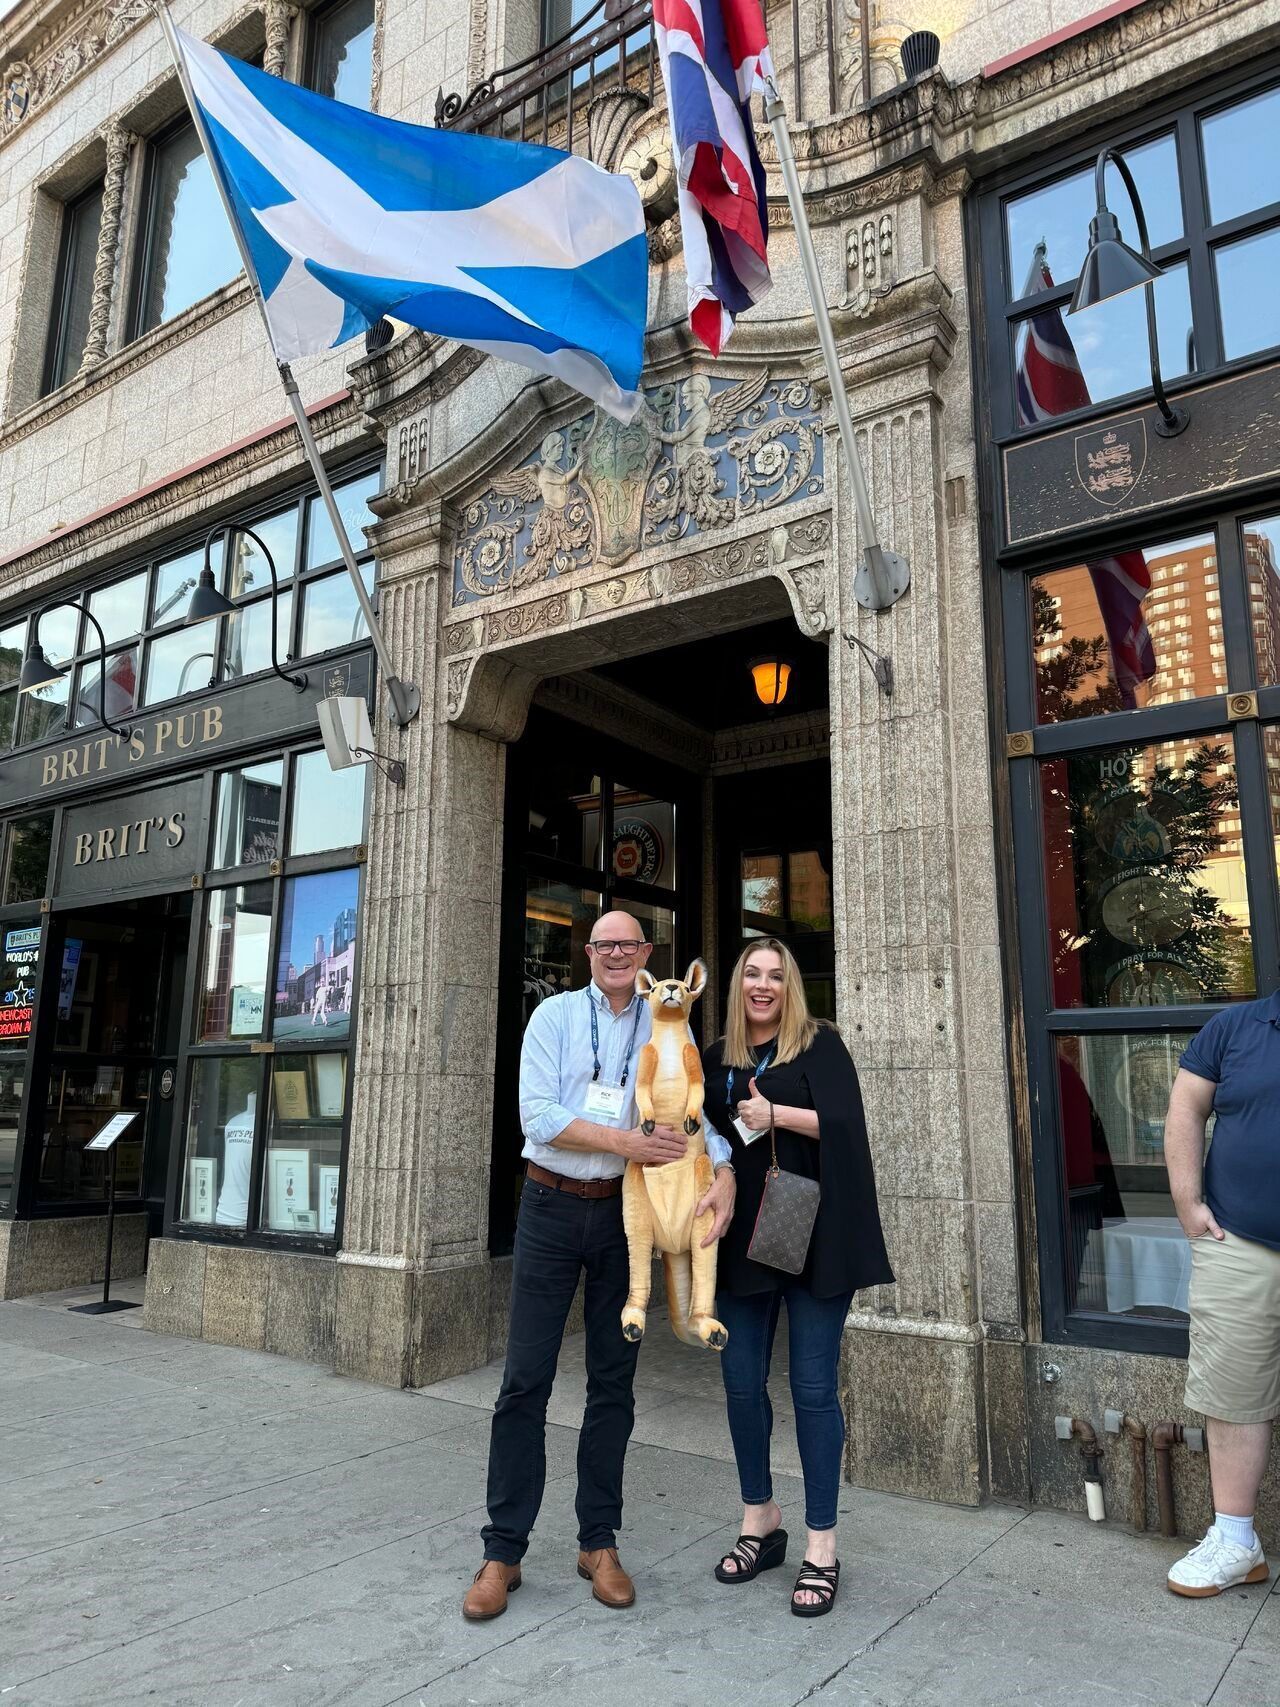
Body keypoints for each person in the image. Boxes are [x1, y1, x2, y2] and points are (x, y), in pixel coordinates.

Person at [463, 911, 737, 1622]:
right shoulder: (553, 1017)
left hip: (624, 1215)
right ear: (588, 953)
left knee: (612, 1383)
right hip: (550, 1208)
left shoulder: (661, 1026)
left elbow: (690, 1113)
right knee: (525, 1379)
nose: (617, 953)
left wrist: (727, 1166)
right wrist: (626, 1139)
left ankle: (598, 1542)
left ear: (647, 955)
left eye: (630, 943)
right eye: (604, 943)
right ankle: (503, 1550)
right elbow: (538, 1115)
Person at [701, 938, 893, 1618]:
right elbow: (704, 1134)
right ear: (737, 981)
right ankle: (760, 1516)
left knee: (813, 1388)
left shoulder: (818, 1044)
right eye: (751, 972)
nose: (763, 985)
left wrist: (776, 1113)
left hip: (814, 1234)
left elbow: (848, 1125)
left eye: (775, 976)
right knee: (740, 1381)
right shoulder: (715, 1052)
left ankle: (821, 1544)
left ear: (790, 986)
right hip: (741, 1238)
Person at [1164, 996, 1280, 1597]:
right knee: (1234, 1391)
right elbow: (1185, 1106)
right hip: (1239, 1243)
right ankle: (1237, 1542)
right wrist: (1188, 1204)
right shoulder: (1234, 1027)